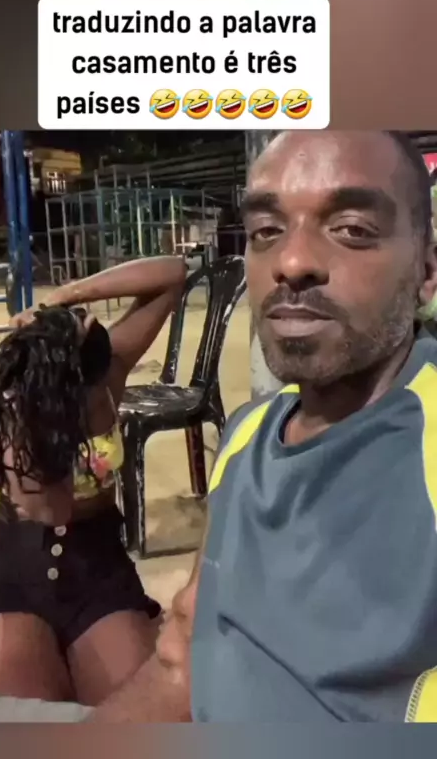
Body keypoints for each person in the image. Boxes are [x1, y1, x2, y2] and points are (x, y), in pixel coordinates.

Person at [87, 130, 437, 723]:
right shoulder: (247, 437)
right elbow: (181, 660)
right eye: (265, 232)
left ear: (427, 271)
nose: (291, 263)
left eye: (351, 229)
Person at [0, 254, 187, 706]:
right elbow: (51, 509)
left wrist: (65, 297)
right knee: (16, 716)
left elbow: (172, 274)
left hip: (96, 564)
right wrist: (30, 425)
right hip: (12, 569)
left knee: (142, 711)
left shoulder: (105, 371)